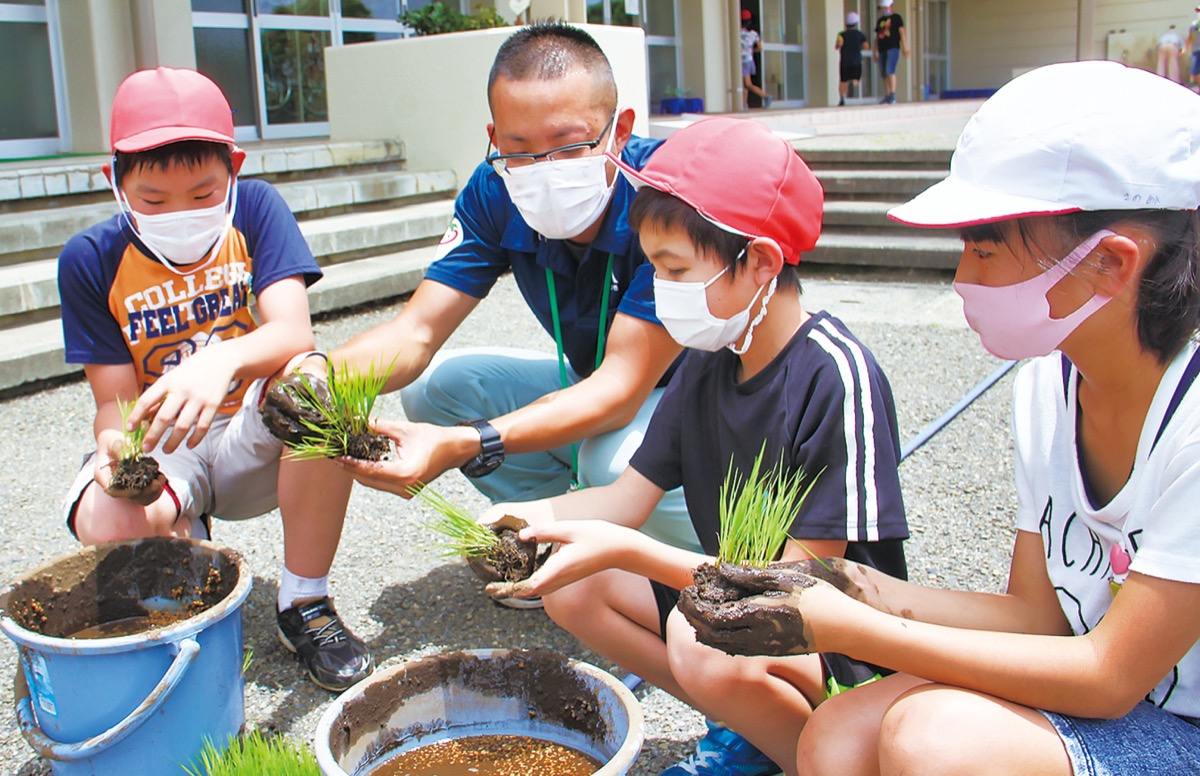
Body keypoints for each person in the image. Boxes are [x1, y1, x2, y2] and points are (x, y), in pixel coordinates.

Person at [680, 61, 1200, 776]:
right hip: (1106, 689)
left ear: (1110, 262)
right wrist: (848, 585)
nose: (962, 279)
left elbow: (1110, 676)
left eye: (985, 250)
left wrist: (851, 627)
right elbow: (1037, 617)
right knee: (835, 734)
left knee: (934, 740)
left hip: (1175, 722)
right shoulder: (1050, 381)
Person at [482, 117, 909, 776]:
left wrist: (626, 547)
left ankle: (817, 753)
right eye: (652, 266)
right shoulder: (708, 360)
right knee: (578, 587)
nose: (660, 288)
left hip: (831, 644)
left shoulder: (834, 374)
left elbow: (799, 587)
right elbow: (626, 499)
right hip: (736, 619)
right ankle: (749, 729)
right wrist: (533, 522)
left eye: (674, 269)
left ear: (760, 261)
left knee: (698, 630)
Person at [277, 23, 700, 563]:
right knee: (440, 388)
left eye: (568, 146)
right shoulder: (493, 189)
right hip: (598, 378)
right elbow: (417, 330)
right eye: (519, 149)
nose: (542, 171)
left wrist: (466, 443)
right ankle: (540, 544)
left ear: (619, 130)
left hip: (687, 396)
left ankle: (681, 569)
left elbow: (620, 390)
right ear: (495, 137)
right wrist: (321, 376)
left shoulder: (663, 197)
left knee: (612, 462)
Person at [57, 67, 373, 693]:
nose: (181, 213)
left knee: (316, 385)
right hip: (169, 448)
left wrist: (219, 362)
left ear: (234, 166)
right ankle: (188, 550)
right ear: (115, 182)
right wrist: (113, 446)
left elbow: (291, 334)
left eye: (204, 194)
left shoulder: (255, 210)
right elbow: (114, 401)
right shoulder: (90, 260)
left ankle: (305, 602)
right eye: (152, 200)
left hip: (253, 438)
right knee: (107, 518)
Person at [874, 0, 907, 104]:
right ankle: (888, 94)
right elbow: (877, 37)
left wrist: (905, 47)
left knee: (890, 70)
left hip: (893, 47)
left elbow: (902, 32)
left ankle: (892, 94)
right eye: (883, 8)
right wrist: (874, 51)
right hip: (882, 48)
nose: (884, 9)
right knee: (884, 73)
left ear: (891, 6)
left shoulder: (897, 18)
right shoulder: (880, 21)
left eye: (886, 7)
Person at [835, 12, 870, 106]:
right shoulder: (860, 34)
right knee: (856, 79)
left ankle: (843, 97)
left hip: (845, 61)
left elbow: (837, 45)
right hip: (856, 60)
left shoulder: (841, 34)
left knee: (843, 80)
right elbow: (866, 46)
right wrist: (859, 47)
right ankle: (856, 95)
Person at [740, 9, 772, 109]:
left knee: (748, 84)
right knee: (744, 85)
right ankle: (744, 105)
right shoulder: (754, 34)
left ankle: (765, 96)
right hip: (750, 60)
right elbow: (760, 48)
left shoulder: (739, 33)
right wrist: (751, 50)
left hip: (743, 61)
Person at [1187, 8, 1200, 91]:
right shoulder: (1194, 24)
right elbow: (1191, 37)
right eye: (1198, 11)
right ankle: (1195, 86)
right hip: (1196, 50)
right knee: (1193, 71)